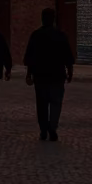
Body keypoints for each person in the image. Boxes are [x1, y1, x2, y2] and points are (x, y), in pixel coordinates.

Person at [23, 8, 74, 142]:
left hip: (40, 76)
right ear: (53, 19)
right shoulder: (61, 35)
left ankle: (43, 130)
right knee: (56, 103)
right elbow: (68, 56)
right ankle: (53, 127)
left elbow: (30, 58)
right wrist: (70, 72)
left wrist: (29, 74)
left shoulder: (36, 35)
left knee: (42, 104)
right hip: (57, 75)